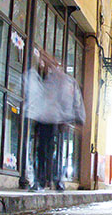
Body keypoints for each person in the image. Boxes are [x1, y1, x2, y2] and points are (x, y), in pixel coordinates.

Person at [24, 52, 85, 190]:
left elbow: (76, 101)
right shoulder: (43, 78)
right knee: (40, 151)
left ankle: (56, 180)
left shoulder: (65, 80)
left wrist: (77, 120)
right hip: (42, 119)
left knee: (54, 151)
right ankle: (40, 181)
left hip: (57, 120)